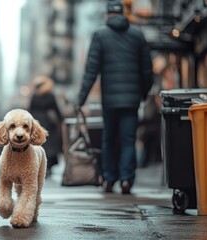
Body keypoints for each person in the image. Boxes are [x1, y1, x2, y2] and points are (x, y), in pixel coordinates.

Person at [77, 0, 153, 194]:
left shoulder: (100, 36)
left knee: (109, 138)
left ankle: (109, 178)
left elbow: (91, 71)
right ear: (124, 14)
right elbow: (147, 71)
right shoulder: (138, 36)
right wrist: (142, 94)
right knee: (129, 139)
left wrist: (81, 99)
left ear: (107, 15)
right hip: (131, 99)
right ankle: (127, 179)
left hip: (110, 100)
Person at [29, 76, 63, 178]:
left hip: (37, 123)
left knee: (40, 144)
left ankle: (41, 167)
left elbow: (30, 110)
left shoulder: (35, 96)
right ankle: (48, 167)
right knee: (50, 145)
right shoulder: (50, 95)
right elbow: (56, 109)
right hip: (49, 124)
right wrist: (61, 120)